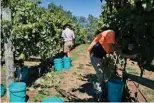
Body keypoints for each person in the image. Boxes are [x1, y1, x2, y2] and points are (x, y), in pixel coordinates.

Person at [87, 29, 137, 101]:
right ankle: (99, 93)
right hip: (94, 57)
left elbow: (120, 53)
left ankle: (103, 90)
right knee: (100, 74)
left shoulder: (115, 43)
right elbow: (113, 47)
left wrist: (132, 56)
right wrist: (118, 48)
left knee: (104, 75)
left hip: (100, 57)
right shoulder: (111, 33)